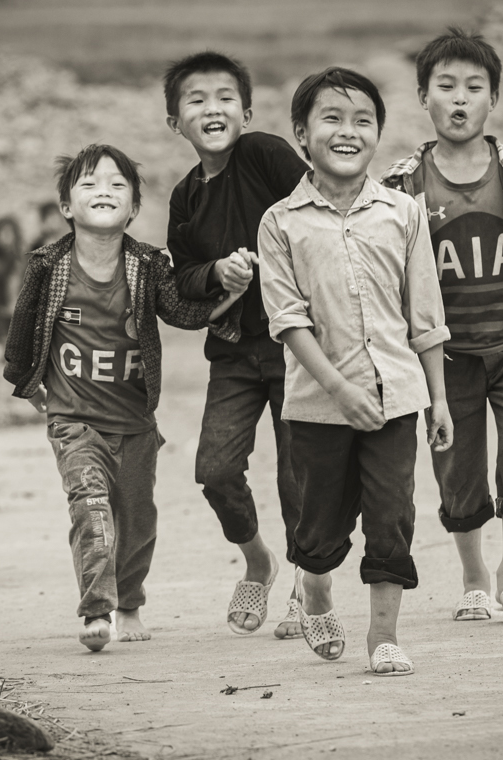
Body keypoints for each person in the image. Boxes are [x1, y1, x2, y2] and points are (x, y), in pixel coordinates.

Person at [3, 144, 244, 651]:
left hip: (134, 421)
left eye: (117, 185)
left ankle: (130, 601)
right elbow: (22, 326)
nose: (104, 192)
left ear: (134, 206)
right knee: (90, 507)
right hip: (74, 421)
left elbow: (179, 312)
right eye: (89, 184)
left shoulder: (148, 263)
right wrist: (25, 382)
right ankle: (97, 612)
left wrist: (229, 295)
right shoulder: (48, 265)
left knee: (135, 517)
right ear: (67, 206)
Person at [259, 68, 454, 676]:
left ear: (378, 134)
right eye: (332, 119)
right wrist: (339, 388)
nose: (348, 132)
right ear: (301, 133)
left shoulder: (404, 213)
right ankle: (314, 587)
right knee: (319, 523)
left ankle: (384, 635)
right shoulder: (281, 222)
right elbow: (287, 320)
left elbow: (426, 314)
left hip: (396, 396)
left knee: (393, 513)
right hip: (319, 405)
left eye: (363, 121)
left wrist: (438, 400)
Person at [381, 28, 503, 624]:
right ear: (424, 97)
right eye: (446, 87)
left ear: (493, 99)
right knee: (457, 467)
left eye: (474, 87)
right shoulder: (401, 185)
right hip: (447, 357)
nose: (460, 98)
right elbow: (391, 278)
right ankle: (472, 577)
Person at [164, 51, 310, 639]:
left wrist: (271, 260)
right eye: (195, 100)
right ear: (175, 121)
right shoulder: (185, 196)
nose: (212, 108)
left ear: (246, 112)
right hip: (232, 351)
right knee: (215, 470)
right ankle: (258, 560)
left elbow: (313, 210)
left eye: (225, 97)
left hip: (297, 344)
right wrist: (218, 273)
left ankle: (307, 586)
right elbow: (183, 276)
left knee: (298, 474)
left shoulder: (264, 154)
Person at [0, 215, 23, 343]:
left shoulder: (17, 259)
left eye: (8, 233)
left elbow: (14, 282)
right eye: (2, 233)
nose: (5, 237)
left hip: (13, 308)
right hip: (0, 308)